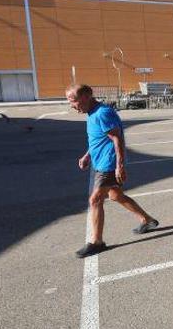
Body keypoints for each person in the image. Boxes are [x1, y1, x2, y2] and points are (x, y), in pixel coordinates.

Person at [66, 84, 159, 258]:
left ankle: (96, 242)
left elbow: (117, 139)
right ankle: (147, 220)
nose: (71, 105)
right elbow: (98, 138)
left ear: (86, 97)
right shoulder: (92, 113)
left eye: (73, 101)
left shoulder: (102, 113)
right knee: (115, 195)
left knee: (95, 200)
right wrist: (87, 155)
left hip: (108, 164)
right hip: (100, 162)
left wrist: (119, 165)